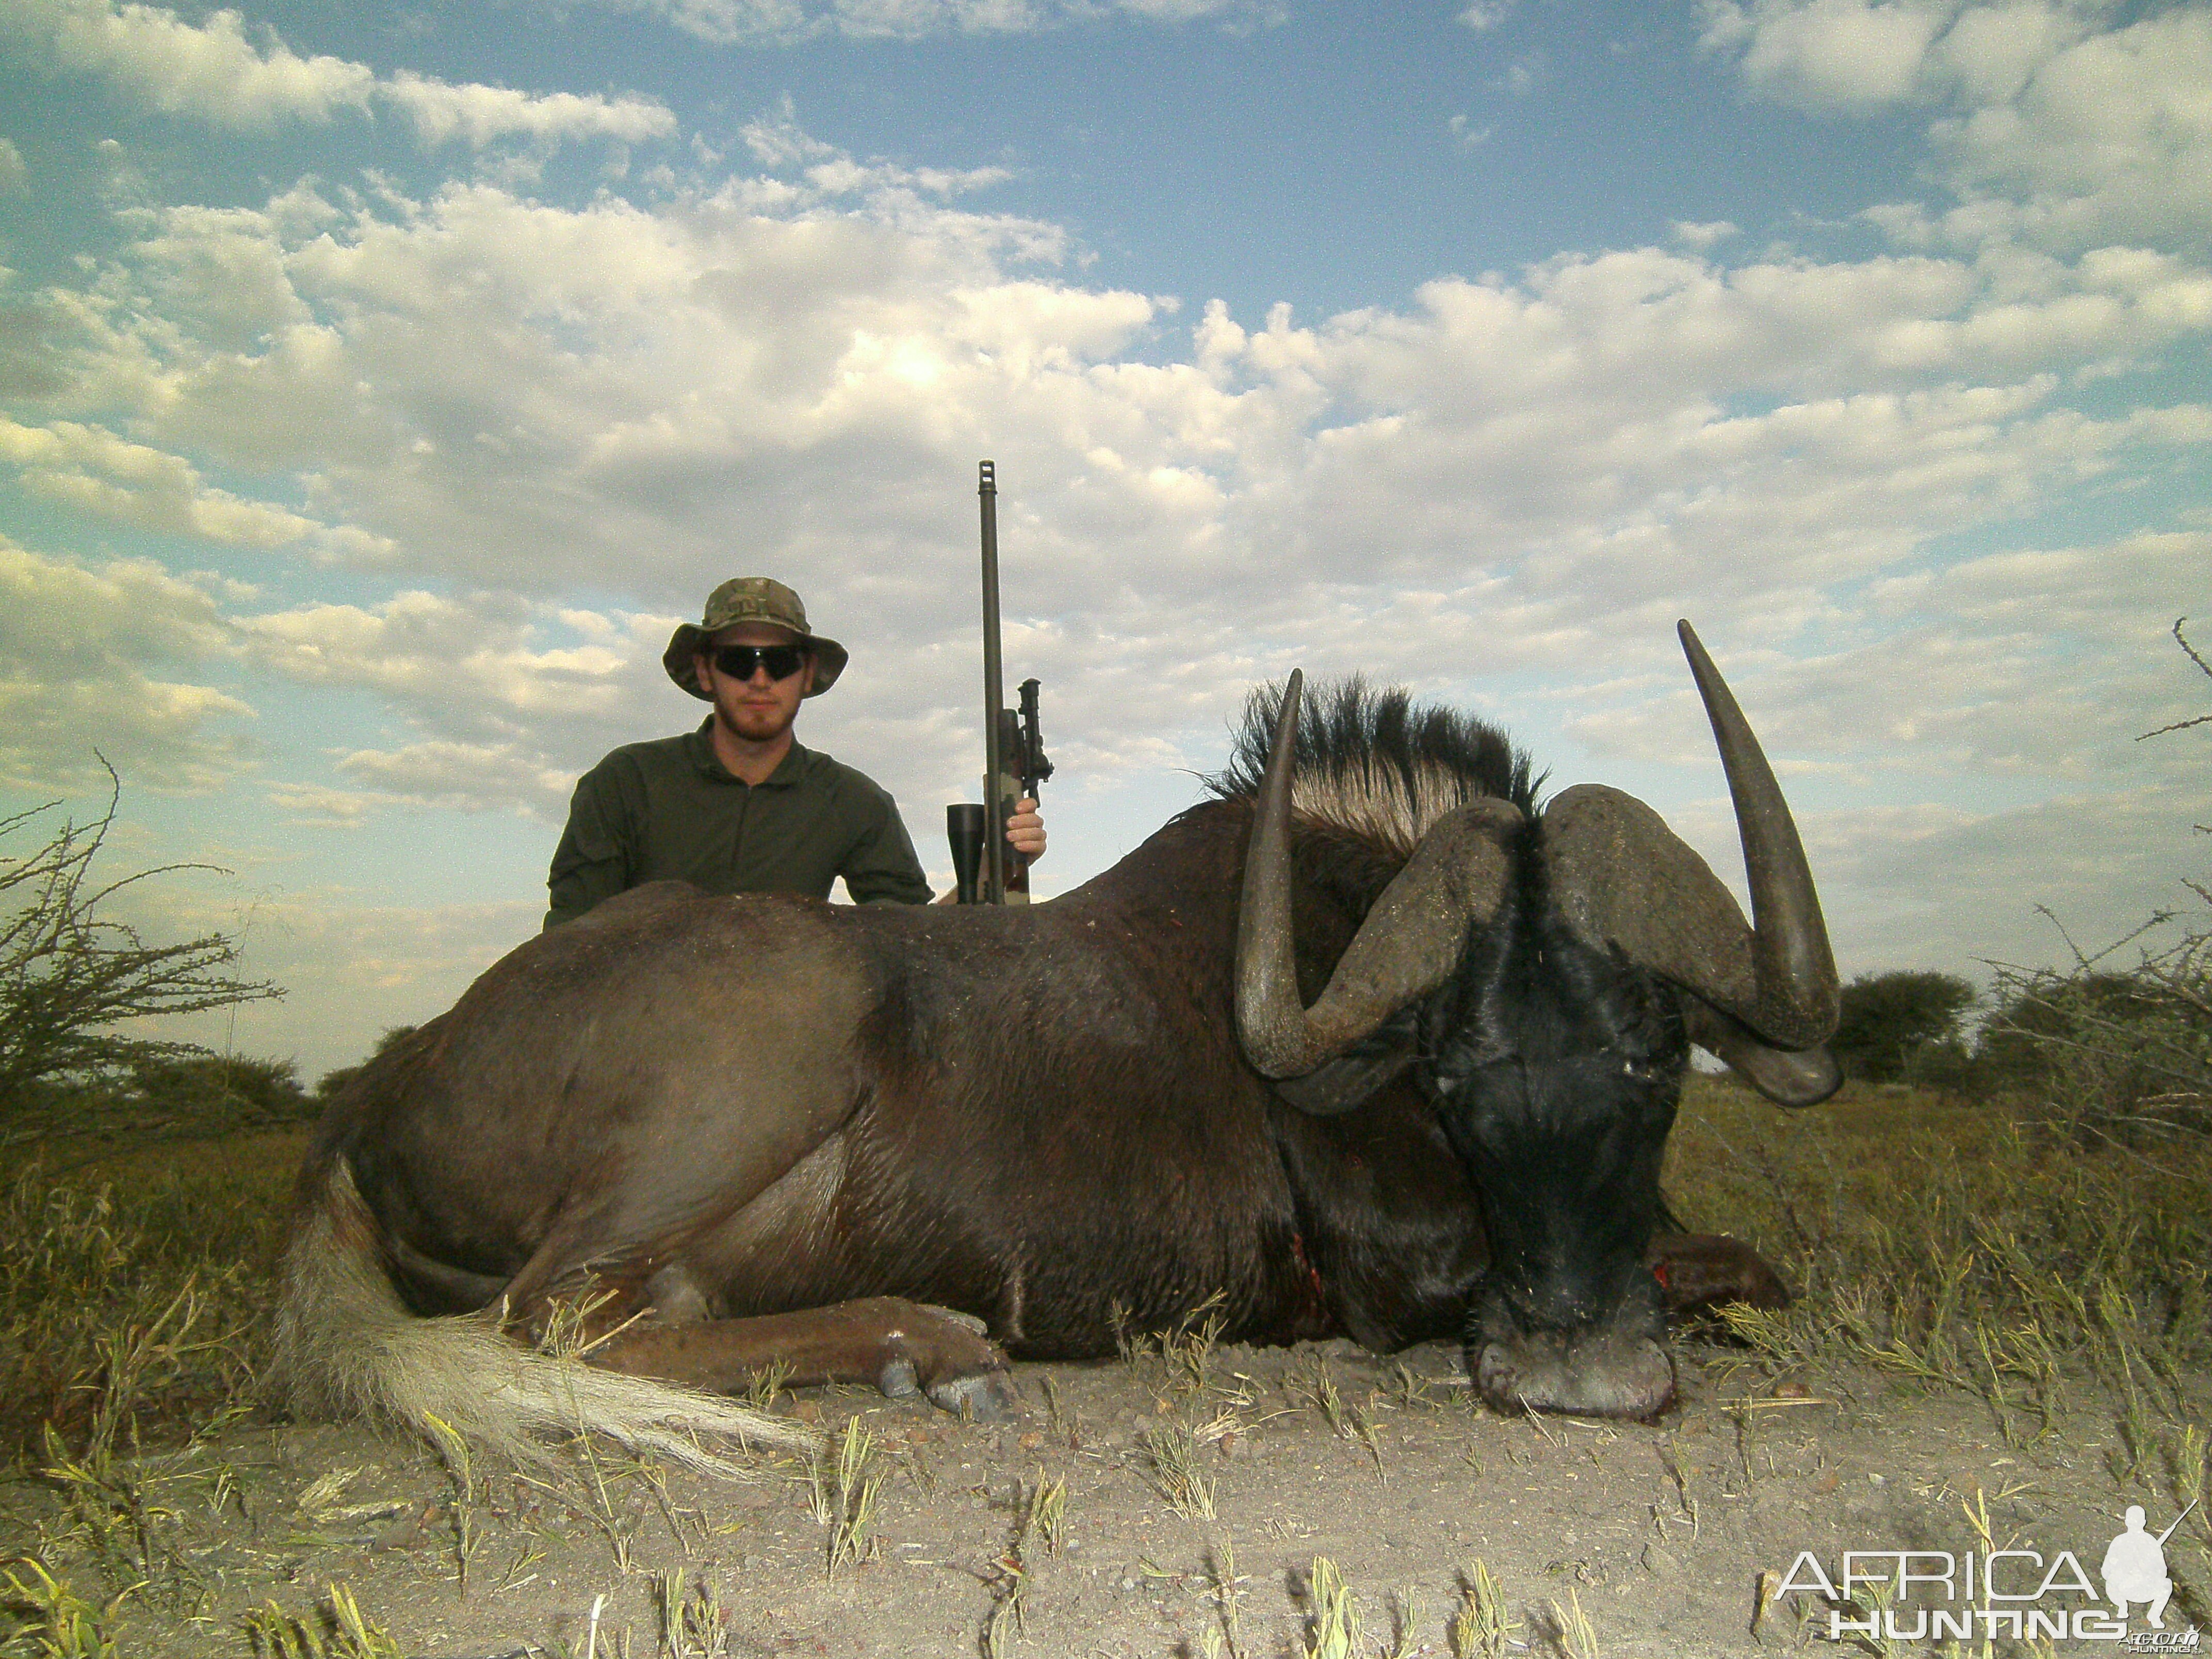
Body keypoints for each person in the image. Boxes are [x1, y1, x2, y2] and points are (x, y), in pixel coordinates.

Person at [545, 577, 1045, 928]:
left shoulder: (854, 801)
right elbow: (570, 945)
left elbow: (909, 939)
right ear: (704, 672)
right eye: (739, 660)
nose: (760, 679)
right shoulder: (625, 781)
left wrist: (990, 872)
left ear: (806, 674)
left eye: (779, 661)